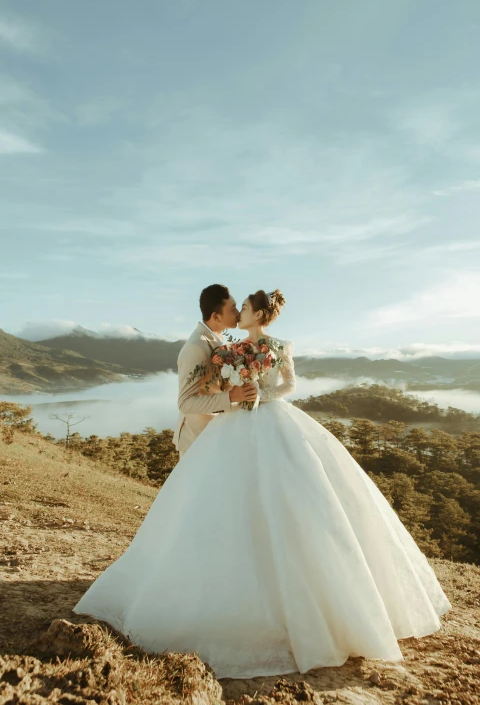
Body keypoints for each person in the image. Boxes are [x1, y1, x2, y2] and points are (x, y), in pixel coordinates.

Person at [73, 288, 451, 680]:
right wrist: (236, 393)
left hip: (263, 419)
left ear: (258, 314)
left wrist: (260, 393)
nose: (239, 312)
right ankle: (207, 585)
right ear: (219, 315)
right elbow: (189, 401)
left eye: (244, 308)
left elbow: (286, 384)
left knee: (283, 502)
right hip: (217, 430)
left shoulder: (240, 343)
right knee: (212, 511)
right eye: (235, 308)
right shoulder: (203, 346)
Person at [172, 284, 258, 458]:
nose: (238, 314)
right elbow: (185, 403)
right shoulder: (196, 347)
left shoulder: (220, 340)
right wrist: (232, 397)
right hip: (196, 442)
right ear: (216, 317)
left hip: (216, 436)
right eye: (233, 309)